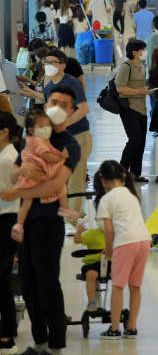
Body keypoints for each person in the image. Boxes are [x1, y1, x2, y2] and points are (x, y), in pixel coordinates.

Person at [0, 85, 82, 353]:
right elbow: (14, 173)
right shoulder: (31, 134)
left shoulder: (69, 145)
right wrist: (21, 171)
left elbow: (54, 186)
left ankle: (56, 342)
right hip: (26, 221)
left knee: (47, 283)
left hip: (48, 222)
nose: (58, 106)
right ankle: (39, 340)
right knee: (27, 281)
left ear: (71, 112)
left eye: (65, 104)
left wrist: (17, 191)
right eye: (54, 101)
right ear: (45, 104)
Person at [22, 49, 91, 234]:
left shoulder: (71, 82)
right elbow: (49, 100)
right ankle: (78, 210)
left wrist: (64, 124)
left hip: (78, 136)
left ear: (62, 66)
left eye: (53, 62)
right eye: (47, 62)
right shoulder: (47, 81)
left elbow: (84, 109)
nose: (48, 66)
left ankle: (72, 221)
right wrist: (29, 93)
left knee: (75, 179)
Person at [93, 160, 151, 340]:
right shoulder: (131, 194)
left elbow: (109, 230)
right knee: (135, 285)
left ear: (103, 180)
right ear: (123, 176)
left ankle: (115, 328)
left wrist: (109, 249)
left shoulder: (107, 199)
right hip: (143, 240)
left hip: (125, 243)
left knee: (117, 286)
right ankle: (131, 327)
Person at [11, 111, 77, 242]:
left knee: (26, 204)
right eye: (42, 126)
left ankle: (19, 225)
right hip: (40, 173)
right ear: (31, 129)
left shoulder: (29, 141)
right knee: (61, 188)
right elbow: (45, 156)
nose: (46, 128)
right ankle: (64, 208)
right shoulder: (39, 141)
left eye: (48, 125)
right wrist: (60, 157)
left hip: (27, 178)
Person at [115, 40, 151, 183]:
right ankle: (120, 172)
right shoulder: (126, 67)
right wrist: (139, 91)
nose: (144, 53)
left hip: (141, 109)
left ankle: (135, 173)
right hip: (129, 108)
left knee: (141, 142)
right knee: (134, 139)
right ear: (135, 52)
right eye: (143, 50)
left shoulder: (142, 67)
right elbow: (120, 88)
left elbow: (140, 86)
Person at [0, 112, 19, 355]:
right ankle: (7, 338)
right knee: (3, 283)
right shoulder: (7, 155)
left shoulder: (7, 159)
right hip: (6, 220)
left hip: (5, 222)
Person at [72, 208, 110, 313]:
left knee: (118, 274)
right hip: (92, 263)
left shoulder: (114, 233)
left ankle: (117, 301)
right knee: (91, 275)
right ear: (96, 219)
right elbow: (77, 240)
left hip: (110, 262)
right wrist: (79, 232)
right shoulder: (92, 233)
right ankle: (91, 301)